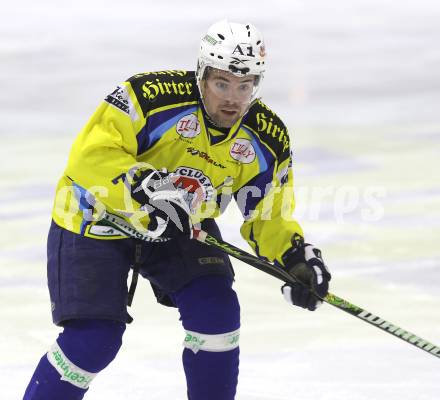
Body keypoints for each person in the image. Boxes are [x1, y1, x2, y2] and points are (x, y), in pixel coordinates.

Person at [23, 19, 331, 400]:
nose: (233, 97)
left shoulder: (266, 138)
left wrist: (292, 254)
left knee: (216, 311)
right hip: (94, 218)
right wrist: (145, 188)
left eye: (245, 85)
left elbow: (269, 214)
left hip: (179, 226)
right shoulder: (149, 96)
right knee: (93, 341)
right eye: (222, 83)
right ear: (201, 76)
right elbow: (89, 156)